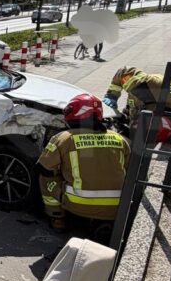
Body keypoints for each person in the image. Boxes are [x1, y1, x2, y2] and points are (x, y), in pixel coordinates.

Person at [37, 93, 129, 232]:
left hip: (78, 205)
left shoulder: (64, 138)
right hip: (118, 207)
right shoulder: (120, 139)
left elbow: (44, 168)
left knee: (45, 179)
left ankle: (57, 218)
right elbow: (129, 169)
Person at [103, 66, 171, 126]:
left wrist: (126, 119)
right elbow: (123, 72)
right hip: (168, 84)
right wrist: (111, 96)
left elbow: (138, 121)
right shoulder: (140, 81)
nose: (130, 92)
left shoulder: (167, 105)